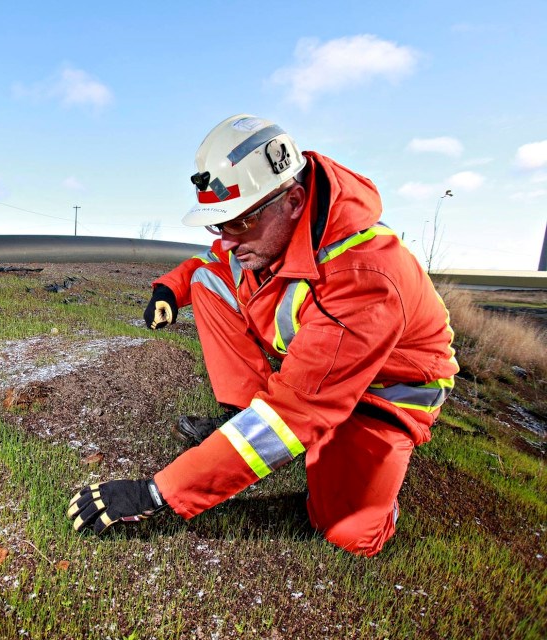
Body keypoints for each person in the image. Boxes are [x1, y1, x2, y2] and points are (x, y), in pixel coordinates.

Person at [68, 114, 459, 556]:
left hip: (385, 393)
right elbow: (211, 262)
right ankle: (241, 418)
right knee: (209, 285)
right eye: (220, 225)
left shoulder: (364, 279)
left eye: (238, 223)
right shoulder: (268, 230)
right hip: (320, 370)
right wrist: (169, 289)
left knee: (348, 533)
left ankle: (372, 494)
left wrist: (156, 493)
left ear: (293, 200)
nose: (228, 241)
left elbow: (290, 414)